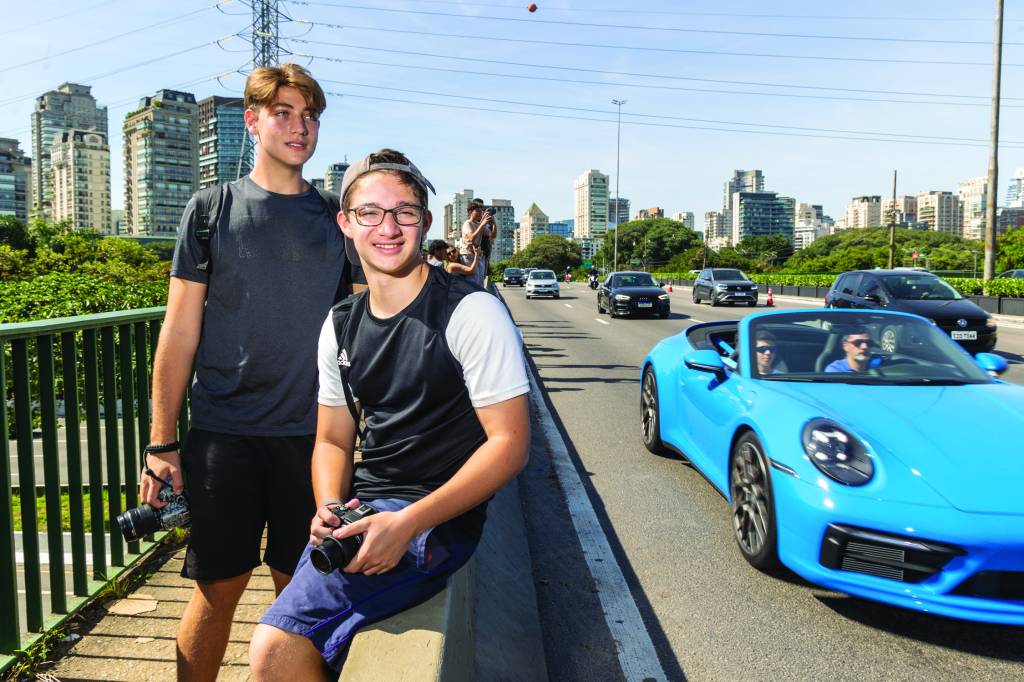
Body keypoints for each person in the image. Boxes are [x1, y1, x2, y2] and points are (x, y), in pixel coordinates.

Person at [248, 149, 530, 679]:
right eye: (370, 213)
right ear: (346, 224)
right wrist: (330, 506)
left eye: (404, 212)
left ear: (424, 222)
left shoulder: (470, 312)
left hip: (435, 517)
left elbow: (509, 444)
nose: (388, 227)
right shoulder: (340, 325)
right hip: (363, 504)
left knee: (273, 648)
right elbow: (333, 438)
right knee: (290, 644)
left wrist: (407, 524)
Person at [140, 64, 363, 681]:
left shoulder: (336, 221)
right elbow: (178, 329)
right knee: (218, 589)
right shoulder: (211, 209)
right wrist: (162, 442)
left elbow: (377, 313)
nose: (300, 127)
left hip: (312, 440)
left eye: (310, 115)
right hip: (224, 435)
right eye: (285, 113)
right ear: (253, 121)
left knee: (303, 593)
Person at [460, 199, 495, 287]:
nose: (480, 213)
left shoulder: (478, 224)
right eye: (477, 211)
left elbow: (492, 235)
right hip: (468, 256)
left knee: (479, 284)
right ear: (470, 212)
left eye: (481, 211)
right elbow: (471, 238)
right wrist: (482, 224)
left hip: (477, 256)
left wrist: (493, 222)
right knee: (472, 283)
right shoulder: (467, 223)